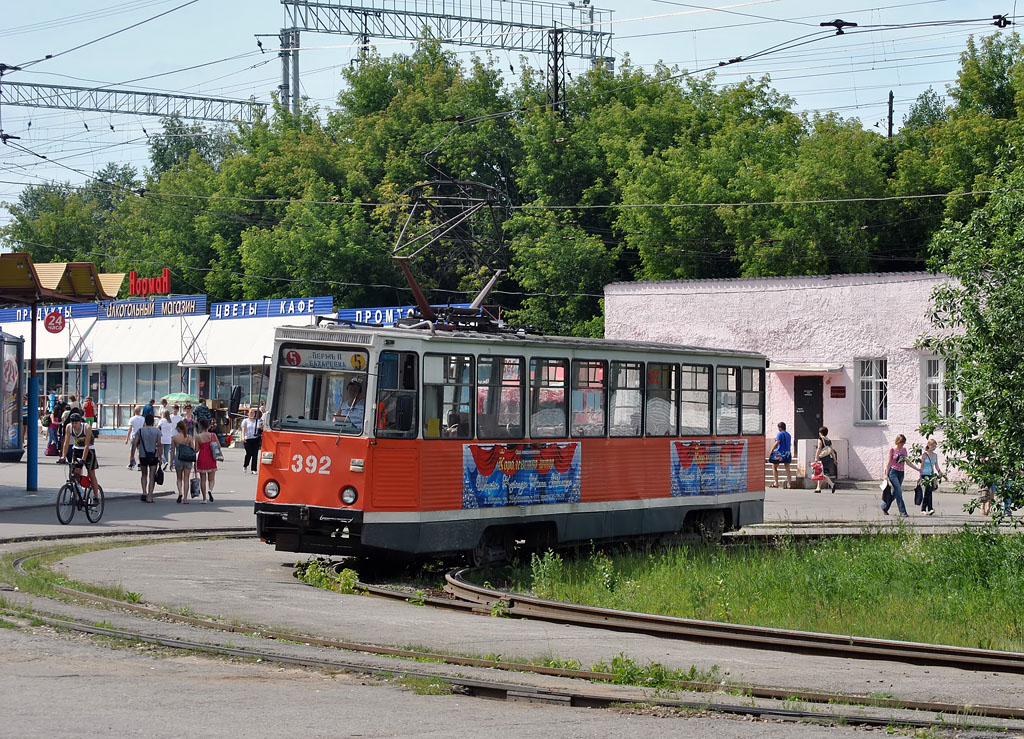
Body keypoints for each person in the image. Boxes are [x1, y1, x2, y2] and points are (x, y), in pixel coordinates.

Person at [61, 412, 100, 499]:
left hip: (89, 450)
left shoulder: (86, 427)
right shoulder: (69, 427)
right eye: (73, 423)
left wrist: (83, 459)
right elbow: (66, 442)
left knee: (91, 473)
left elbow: (87, 445)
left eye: (76, 423)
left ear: (80, 422)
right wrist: (63, 456)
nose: (74, 425)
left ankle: (96, 496)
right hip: (77, 449)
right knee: (75, 473)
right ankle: (76, 495)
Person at [882, 433, 917, 517]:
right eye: (901, 442)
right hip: (893, 472)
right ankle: (903, 511)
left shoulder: (904, 450)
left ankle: (884, 507)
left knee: (895, 493)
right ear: (897, 442)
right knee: (899, 491)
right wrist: (886, 475)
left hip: (901, 473)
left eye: (903, 443)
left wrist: (917, 469)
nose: (902, 444)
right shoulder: (892, 450)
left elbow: (907, 462)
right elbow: (889, 462)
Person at [132, 413, 162, 503]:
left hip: (143, 455)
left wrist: (132, 455)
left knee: (144, 474)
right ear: (153, 422)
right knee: (152, 475)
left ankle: (144, 492)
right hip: (154, 455)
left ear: (145, 421)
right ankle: (149, 496)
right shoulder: (157, 431)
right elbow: (159, 445)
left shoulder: (140, 431)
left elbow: (135, 443)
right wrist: (160, 457)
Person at [171, 420, 195, 504]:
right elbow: (193, 449)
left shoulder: (174, 437)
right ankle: (185, 498)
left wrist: (171, 462)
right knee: (186, 479)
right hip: (187, 458)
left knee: (179, 478)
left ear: (178, 428)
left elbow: (172, 450)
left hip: (178, 457)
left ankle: (180, 492)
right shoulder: (189, 437)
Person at [194, 417, 217, 503]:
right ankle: (210, 490)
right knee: (211, 478)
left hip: (202, 456)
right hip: (211, 456)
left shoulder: (198, 437)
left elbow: (196, 449)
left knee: (202, 479)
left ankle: (204, 498)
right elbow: (218, 445)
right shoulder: (212, 435)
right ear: (208, 426)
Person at [918, 438, 942, 515]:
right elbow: (921, 466)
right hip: (924, 475)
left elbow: (936, 465)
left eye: (935, 446)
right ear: (928, 445)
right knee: (928, 491)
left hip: (931, 475)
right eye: (932, 446)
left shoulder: (935, 455)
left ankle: (930, 508)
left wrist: (940, 472)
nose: (934, 448)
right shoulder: (924, 455)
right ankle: (924, 509)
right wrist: (920, 476)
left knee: (929, 492)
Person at [767, 421, 793, 489]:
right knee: (787, 468)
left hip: (780, 453)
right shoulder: (788, 434)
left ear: (780, 427)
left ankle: (776, 483)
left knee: (774, 466)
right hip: (788, 452)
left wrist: (772, 450)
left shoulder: (780, 434)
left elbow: (777, 443)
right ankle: (790, 484)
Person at [813, 426, 838, 494]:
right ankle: (818, 488)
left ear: (820, 433)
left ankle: (832, 484)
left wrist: (816, 457)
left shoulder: (820, 439)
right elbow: (831, 451)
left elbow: (819, 448)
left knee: (822, 474)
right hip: (827, 457)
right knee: (820, 473)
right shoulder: (828, 440)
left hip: (822, 457)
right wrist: (835, 459)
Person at [241, 408, 262, 475]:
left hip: (255, 439)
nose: (252, 413)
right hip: (248, 439)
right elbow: (243, 429)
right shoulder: (245, 421)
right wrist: (243, 437)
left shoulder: (257, 421)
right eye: (251, 412)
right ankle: (245, 465)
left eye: (253, 412)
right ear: (248, 413)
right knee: (249, 453)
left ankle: (254, 469)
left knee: (255, 454)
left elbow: (260, 429)